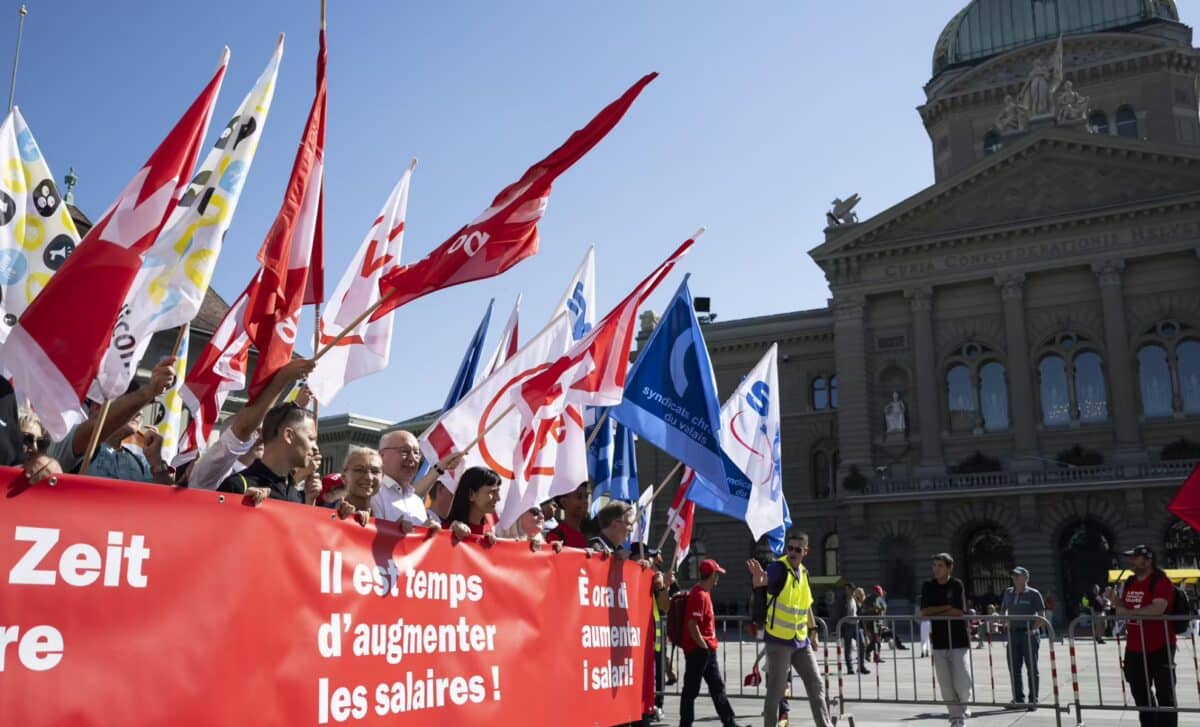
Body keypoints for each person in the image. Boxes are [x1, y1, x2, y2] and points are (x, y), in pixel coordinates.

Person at [746, 531, 833, 727]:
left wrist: (813, 631)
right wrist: (760, 583)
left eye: (797, 549)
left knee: (816, 684)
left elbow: (807, 605)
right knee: (775, 694)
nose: (792, 552)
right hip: (778, 642)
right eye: (790, 548)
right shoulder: (778, 569)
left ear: (805, 552)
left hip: (801, 642)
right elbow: (765, 584)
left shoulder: (803, 573)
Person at [188, 358, 315, 489]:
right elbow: (243, 429)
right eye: (255, 432)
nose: (261, 438)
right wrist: (282, 378)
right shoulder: (215, 473)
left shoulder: (266, 480)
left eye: (263, 432)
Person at [50, 357, 176, 481]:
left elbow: (167, 500)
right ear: (96, 408)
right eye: (128, 401)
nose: (139, 411)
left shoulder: (141, 461)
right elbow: (96, 428)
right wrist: (148, 392)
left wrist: (157, 462)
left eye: (141, 406)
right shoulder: (71, 445)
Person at [1115, 545, 1177, 727]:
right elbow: (1121, 610)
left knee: (1165, 694)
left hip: (1159, 645)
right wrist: (1115, 601)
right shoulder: (1130, 581)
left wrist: (1130, 613)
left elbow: (1158, 608)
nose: (1131, 561)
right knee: (1140, 694)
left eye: (1135, 558)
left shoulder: (1160, 581)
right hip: (1134, 647)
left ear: (1148, 560)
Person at [679, 558, 744, 727]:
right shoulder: (699, 595)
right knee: (691, 690)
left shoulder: (703, 593)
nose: (718, 579)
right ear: (712, 575)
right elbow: (692, 625)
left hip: (705, 649)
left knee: (717, 688)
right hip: (699, 650)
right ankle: (685, 724)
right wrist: (703, 645)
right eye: (717, 575)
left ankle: (729, 722)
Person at [217, 403, 319, 505]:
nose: (316, 448)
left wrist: (310, 501)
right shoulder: (237, 486)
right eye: (310, 439)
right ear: (288, 436)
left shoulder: (296, 495)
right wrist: (241, 506)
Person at [920, 553, 973, 727]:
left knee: (963, 681)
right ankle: (955, 717)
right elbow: (923, 612)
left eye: (940, 566)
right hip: (939, 640)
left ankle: (964, 705)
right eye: (934, 565)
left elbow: (958, 612)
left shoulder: (956, 584)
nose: (936, 569)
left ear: (950, 567)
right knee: (945, 683)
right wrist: (946, 608)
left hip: (958, 640)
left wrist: (935, 611)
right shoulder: (928, 585)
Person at [373, 429, 461, 529]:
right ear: (382, 455)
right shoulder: (373, 494)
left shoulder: (416, 501)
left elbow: (421, 543)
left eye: (416, 453)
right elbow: (368, 540)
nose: (412, 458)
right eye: (405, 451)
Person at [1000, 566, 1045, 710]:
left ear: (1026, 578)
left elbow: (1041, 616)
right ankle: (1018, 699)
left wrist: (1033, 630)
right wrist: (1003, 620)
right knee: (1014, 668)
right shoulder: (1008, 593)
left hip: (1028, 634)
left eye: (1018, 576)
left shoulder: (1034, 594)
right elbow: (1003, 611)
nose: (1015, 579)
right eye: (1013, 576)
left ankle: (1033, 700)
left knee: (1031, 668)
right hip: (1013, 634)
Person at [446, 467, 501, 539]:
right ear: (471, 494)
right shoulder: (444, 530)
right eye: (492, 492)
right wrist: (449, 533)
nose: (498, 498)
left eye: (497, 492)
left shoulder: (490, 535)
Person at [546, 480, 591, 548]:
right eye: (579, 497)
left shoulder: (592, 535)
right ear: (564, 502)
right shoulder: (555, 537)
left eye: (586, 497)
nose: (585, 501)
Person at [841, 583, 868, 674]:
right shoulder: (842, 600)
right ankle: (850, 668)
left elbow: (859, 611)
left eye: (850, 590)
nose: (848, 591)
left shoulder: (855, 600)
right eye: (847, 590)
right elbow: (838, 613)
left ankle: (861, 666)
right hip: (847, 626)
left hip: (856, 626)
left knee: (862, 644)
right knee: (848, 648)